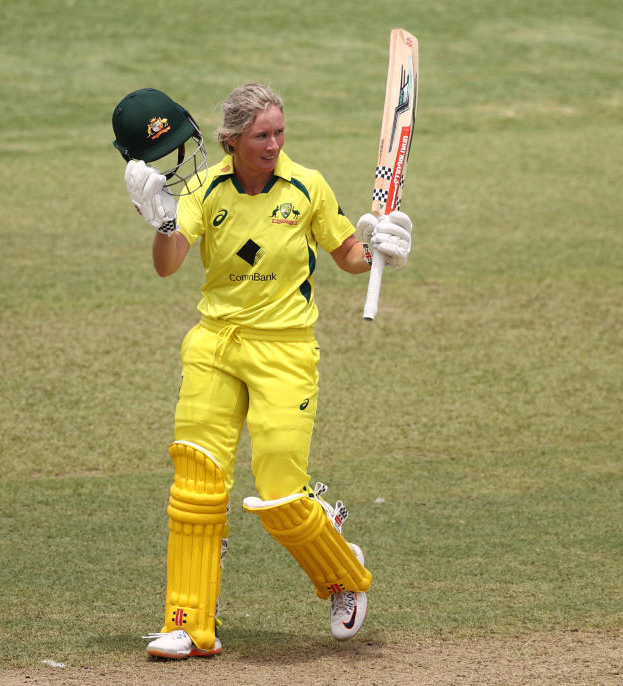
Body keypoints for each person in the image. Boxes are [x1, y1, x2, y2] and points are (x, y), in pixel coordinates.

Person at [111, 85, 412, 660]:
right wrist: (163, 223)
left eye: (279, 133)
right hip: (215, 346)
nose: (273, 144)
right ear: (231, 141)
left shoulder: (308, 187)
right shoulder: (204, 188)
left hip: (285, 351)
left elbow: (347, 253)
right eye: (260, 136)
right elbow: (167, 267)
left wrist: (379, 248)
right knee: (197, 485)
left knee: (278, 497)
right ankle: (187, 623)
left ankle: (342, 573)